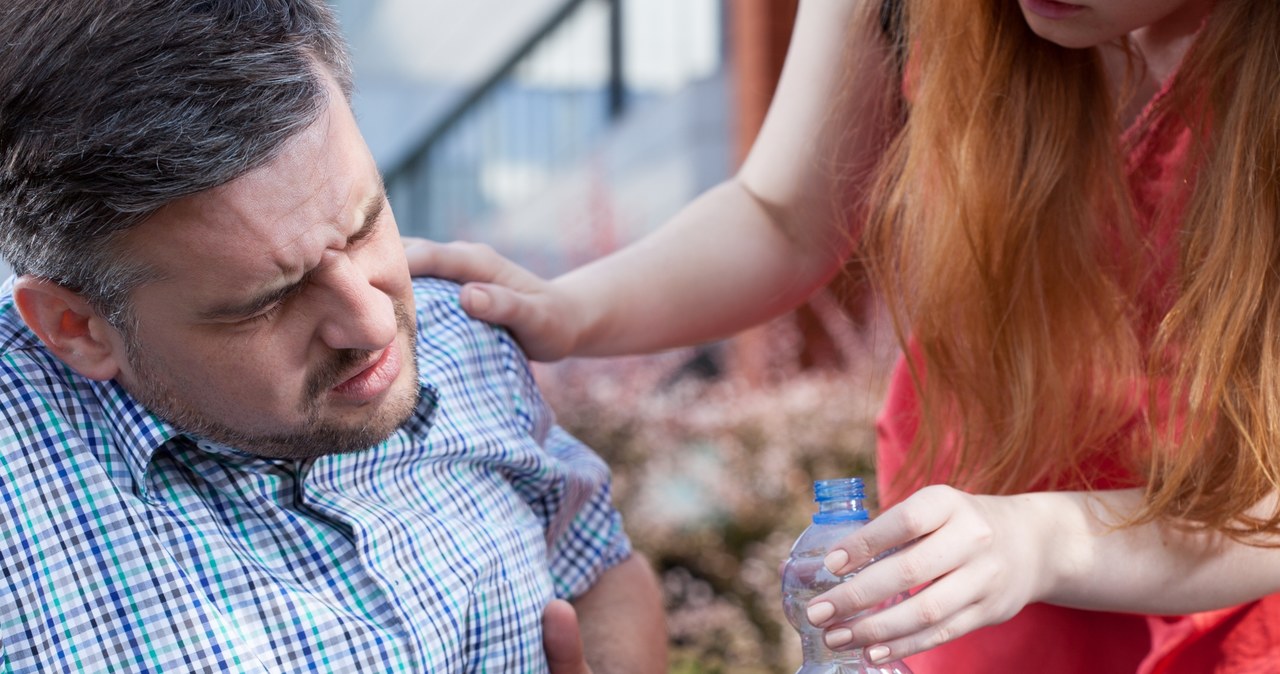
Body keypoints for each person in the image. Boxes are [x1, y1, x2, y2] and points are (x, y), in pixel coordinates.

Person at [404, 0, 1280, 671]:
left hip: (1223, 573)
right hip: (974, 578)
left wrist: (1047, 541)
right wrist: (569, 310)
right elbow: (784, 216)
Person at [0, 2, 665, 673]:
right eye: (270, 300)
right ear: (76, 327)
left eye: (366, 225)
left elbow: (600, 567)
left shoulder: (462, 332)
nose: (376, 324)